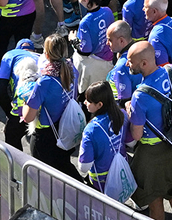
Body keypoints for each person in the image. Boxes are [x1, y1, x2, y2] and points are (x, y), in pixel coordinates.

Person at [125, 39, 172, 220]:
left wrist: (131, 112)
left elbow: (136, 135)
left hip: (151, 153)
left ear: (144, 64)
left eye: (131, 61)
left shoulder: (140, 96)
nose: (127, 64)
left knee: (155, 201)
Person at [19, 32, 77, 176]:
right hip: (66, 127)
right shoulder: (71, 68)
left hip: (46, 136)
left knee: (45, 175)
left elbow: (28, 117)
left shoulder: (44, 82)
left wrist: (26, 96)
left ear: (45, 54)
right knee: (64, 165)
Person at [76, 80, 125, 192]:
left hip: (101, 182)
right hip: (121, 173)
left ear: (99, 105)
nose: (84, 102)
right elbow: (131, 142)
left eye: (88, 101)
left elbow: (84, 167)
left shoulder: (91, 129)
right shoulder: (122, 115)